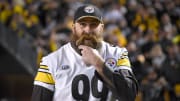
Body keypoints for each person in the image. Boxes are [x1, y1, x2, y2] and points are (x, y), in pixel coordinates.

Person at [32, 4, 138, 101]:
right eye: (82, 24)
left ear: (102, 28)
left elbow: (129, 96)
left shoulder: (118, 54)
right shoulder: (50, 62)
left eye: (93, 25)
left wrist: (99, 64)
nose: (87, 30)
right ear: (73, 28)